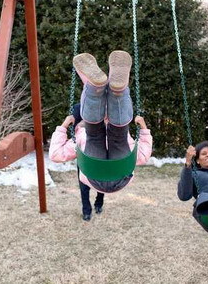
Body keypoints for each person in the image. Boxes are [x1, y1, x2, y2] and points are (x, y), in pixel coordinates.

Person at [49, 51, 153, 216]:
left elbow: (55, 155)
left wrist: (63, 126)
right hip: (117, 172)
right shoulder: (83, 135)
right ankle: (116, 92)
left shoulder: (80, 136)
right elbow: (143, 156)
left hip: (103, 173)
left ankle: (101, 89)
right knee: (117, 134)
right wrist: (144, 128)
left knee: (101, 135)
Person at [71, 103, 105, 221]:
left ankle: (99, 203)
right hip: (84, 151)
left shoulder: (105, 105)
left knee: (101, 181)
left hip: (101, 151)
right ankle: (86, 210)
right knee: (83, 184)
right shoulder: (78, 108)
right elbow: (73, 129)